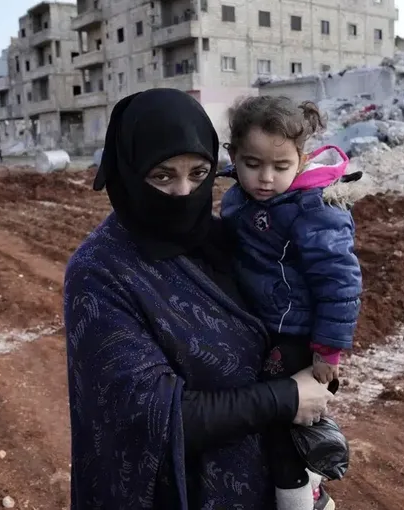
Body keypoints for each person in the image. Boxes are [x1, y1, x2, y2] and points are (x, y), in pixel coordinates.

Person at [63, 88, 337, 510]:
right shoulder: (100, 271)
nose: (183, 191)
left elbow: (291, 310)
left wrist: (320, 354)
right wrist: (287, 398)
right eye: (162, 176)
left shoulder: (227, 240)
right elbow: (150, 415)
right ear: (128, 171)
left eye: (199, 173)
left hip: (265, 483)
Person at [220, 95, 365, 510]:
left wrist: (328, 350)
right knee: (282, 416)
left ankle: (301, 499)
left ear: (300, 160)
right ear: (233, 155)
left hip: (296, 334)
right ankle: (310, 480)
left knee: (278, 423)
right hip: (263, 325)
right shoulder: (238, 198)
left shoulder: (312, 209)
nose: (265, 178)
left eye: (280, 166)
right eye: (252, 164)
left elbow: (339, 281)